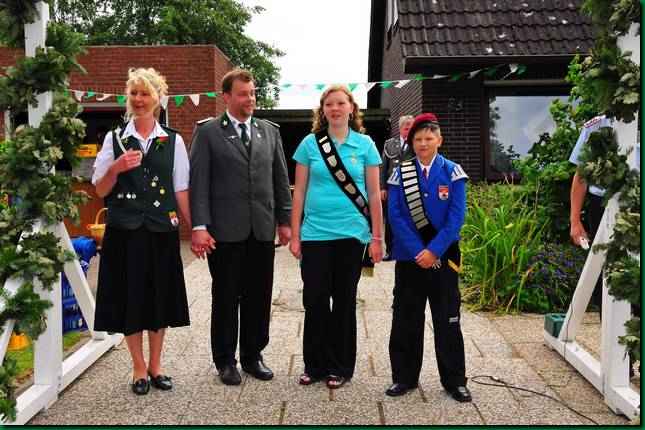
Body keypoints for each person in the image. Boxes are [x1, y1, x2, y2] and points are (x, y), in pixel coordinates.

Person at [189, 69, 292, 386]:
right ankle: (225, 360)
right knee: (225, 297)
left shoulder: (269, 131)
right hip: (224, 232)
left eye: (253, 93)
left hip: (261, 229)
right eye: (243, 94)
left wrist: (285, 221)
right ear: (227, 97)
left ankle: (252, 355)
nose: (250, 99)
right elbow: (198, 183)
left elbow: (280, 179)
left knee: (258, 296)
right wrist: (199, 226)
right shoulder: (208, 133)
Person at [92, 67, 192, 395]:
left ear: (158, 98)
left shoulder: (173, 140)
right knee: (131, 298)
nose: (138, 99)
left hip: (161, 230)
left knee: (159, 298)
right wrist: (115, 168)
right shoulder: (114, 139)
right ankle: (138, 367)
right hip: (125, 232)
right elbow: (100, 189)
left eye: (145, 93)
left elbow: (181, 189)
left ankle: (156, 365)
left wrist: (197, 227)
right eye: (133, 93)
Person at [290, 85, 383, 389]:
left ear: (351, 108)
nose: (335, 108)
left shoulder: (365, 145)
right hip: (315, 235)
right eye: (329, 104)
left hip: (352, 236)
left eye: (341, 103)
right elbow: (299, 192)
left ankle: (341, 367)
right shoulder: (309, 144)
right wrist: (295, 234)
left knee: (344, 302)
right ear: (323, 110)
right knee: (315, 300)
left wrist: (378, 237)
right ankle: (315, 365)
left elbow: (373, 195)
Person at [385, 113, 471, 402]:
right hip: (409, 258)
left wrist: (433, 250)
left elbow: (456, 217)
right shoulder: (401, 173)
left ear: (439, 140)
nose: (423, 143)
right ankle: (404, 378)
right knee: (406, 318)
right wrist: (417, 251)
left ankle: (455, 381)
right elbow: (395, 215)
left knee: (448, 318)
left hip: (443, 257)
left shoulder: (453, 172)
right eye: (418, 139)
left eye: (428, 138)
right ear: (412, 143)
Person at [569, 115, 611, 315]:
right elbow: (581, 175)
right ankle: (610, 331)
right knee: (604, 273)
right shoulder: (598, 126)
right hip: (604, 207)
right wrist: (575, 221)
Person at [380, 115, 414, 260]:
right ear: (400, 129)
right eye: (406, 128)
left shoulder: (416, 143)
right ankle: (390, 250)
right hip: (392, 189)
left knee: (409, 219)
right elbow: (383, 167)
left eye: (411, 128)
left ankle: (408, 249)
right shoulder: (390, 144)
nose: (409, 131)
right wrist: (382, 187)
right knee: (391, 220)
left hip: (411, 187)